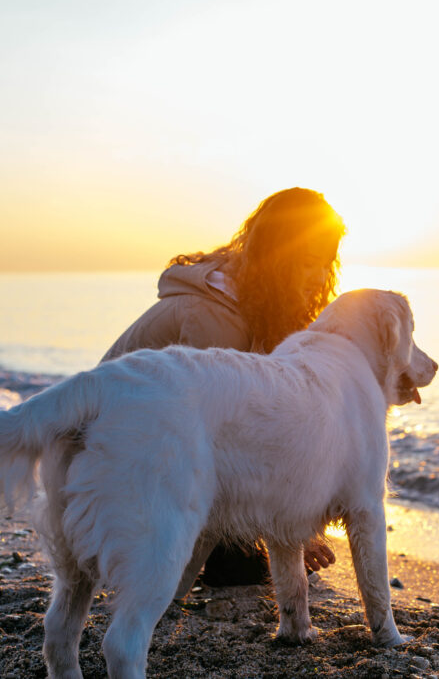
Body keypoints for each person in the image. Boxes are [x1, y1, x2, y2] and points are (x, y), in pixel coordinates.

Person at [102, 186, 345, 586]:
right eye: (307, 263)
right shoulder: (217, 317)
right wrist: (290, 529)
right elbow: (218, 440)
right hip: (112, 461)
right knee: (241, 564)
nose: (319, 277)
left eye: (326, 263)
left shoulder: (254, 301)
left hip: (155, 452)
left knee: (246, 562)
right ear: (279, 259)